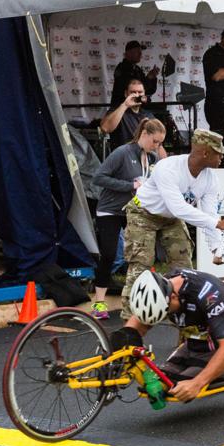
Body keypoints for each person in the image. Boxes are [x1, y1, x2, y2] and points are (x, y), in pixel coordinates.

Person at [120, 129, 224, 320]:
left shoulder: (210, 179)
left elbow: (210, 214)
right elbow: (179, 208)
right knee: (141, 266)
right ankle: (129, 323)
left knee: (184, 269)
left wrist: (217, 248)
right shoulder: (168, 168)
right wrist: (216, 223)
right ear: (205, 153)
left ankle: (185, 322)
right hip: (144, 213)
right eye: (218, 153)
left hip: (171, 218)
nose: (222, 156)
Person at [111, 269, 224, 401]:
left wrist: (197, 384)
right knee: (160, 380)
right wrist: (122, 345)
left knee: (175, 386)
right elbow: (139, 323)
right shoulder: (163, 287)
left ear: (173, 297)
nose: (167, 315)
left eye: (166, 311)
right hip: (193, 345)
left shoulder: (211, 295)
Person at [89, 118, 164, 320]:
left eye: (160, 143)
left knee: (140, 253)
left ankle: (138, 298)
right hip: (111, 210)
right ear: (144, 134)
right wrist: (130, 185)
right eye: (155, 141)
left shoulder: (152, 158)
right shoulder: (123, 152)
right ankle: (98, 302)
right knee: (109, 254)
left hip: (134, 210)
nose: (156, 146)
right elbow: (98, 178)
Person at [100, 78, 166, 153]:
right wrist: (125, 105)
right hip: (124, 156)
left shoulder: (148, 115)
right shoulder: (118, 111)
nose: (137, 95)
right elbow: (105, 128)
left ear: (144, 94)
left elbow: (158, 144)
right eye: (133, 92)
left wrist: (166, 160)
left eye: (140, 92)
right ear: (126, 94)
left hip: (143, 156)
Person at [202, 28, 224, 167]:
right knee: (221, 142)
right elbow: (217, 76)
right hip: (219, 107)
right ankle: (217, 170)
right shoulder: (212, 54)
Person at [110, 40, 158, 109]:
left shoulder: (137, 69)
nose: (140, 54)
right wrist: (148, 78)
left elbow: (149, 91)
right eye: (137, 51)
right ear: (128, 53)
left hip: (136, 109)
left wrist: (153, 77)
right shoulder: (122, 68)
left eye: (140, 52)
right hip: (122, 110)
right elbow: (134, 90)